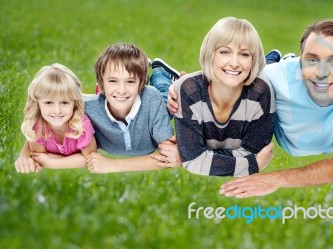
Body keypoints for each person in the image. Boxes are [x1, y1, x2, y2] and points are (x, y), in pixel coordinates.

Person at [168, 19, 333, 197]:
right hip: (275, 80)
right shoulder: (271, 81)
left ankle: (272, 58)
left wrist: (276, 179)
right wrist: (180, 86)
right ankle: (273, 59)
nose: (321, 72)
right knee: (260, 74)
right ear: (300, 61)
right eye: (311, 60)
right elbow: (226, 75)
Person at [16, 43, 181, 173]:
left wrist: (113, 165)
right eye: (112, 81)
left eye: (130, 81)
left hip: (154, 104)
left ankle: (160, 73)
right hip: (132, 97)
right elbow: (45, 115)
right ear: (100, 85)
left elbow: (167, 158)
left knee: (165, 101)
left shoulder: (151, 100)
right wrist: (25, 155)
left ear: (140, 85)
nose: (121, 90)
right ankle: (141, 70)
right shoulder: (84, 106)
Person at [173, 17, 275, 177]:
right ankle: (160, 71)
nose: (234, 62)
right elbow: (192, 160)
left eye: (244, 54)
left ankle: (272, 59)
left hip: (261, 77)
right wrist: (252, 165)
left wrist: (205, 158)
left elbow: (253, 150)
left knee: (268, 69)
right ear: (210, 54)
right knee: (165, 89)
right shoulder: (189, 89)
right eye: (225, 52)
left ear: (253, 59)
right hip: (183, 85)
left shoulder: (261, 92)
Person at [14, 63, 97, 173]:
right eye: (49, 102)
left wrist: (52, 162)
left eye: (64, 102)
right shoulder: (37, 127)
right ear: (38, 104)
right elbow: (39, 157)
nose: (57, 111)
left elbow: (90, 159)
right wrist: (74, 159)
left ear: (74, 103)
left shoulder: (81, 124)